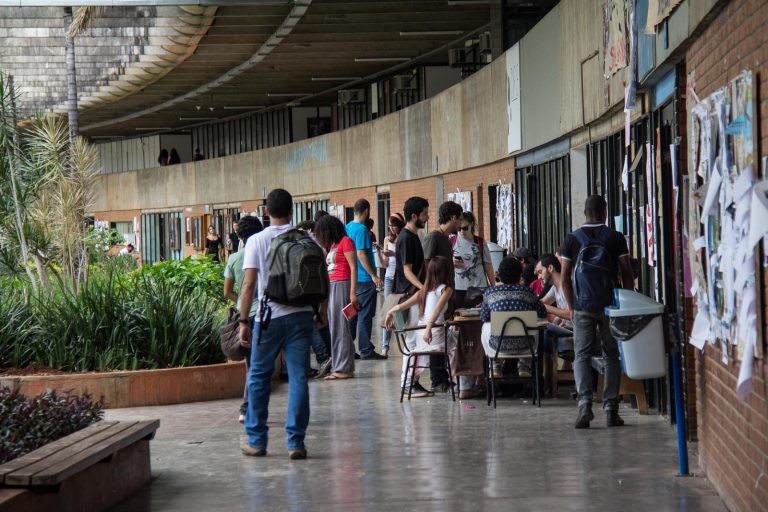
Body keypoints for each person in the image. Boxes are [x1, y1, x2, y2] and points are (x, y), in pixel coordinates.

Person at [238, 188, 323, 460]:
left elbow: (249, 284)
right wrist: (320, 312)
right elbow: (322, 279)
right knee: (299, 378)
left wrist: (243, 320)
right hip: (301, 317)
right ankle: (295, 442)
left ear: (267, 212)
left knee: (258, 377)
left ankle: (256, 440)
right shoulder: (307, 239)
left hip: (268, 317)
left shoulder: (256, 240)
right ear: (291, 210)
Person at [560, 194, 634, 429]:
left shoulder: (572, 239)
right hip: (610, 306)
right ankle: (611, 409)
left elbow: (564, 278)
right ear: (605, 212)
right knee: (611, 355)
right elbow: (627, 272)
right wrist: (625, 302)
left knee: (581, 355)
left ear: (585, 213)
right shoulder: (615, 237)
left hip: (583, 306)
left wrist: (571, 307)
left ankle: (584, 405)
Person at [385, 256, 454, 398]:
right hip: (434, 334)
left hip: (420, 335)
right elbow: (436, 311)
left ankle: (410, 381)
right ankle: (461, 381)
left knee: (447, 341)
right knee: (458, 344)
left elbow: (401, 306)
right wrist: (429, 328)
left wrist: (389, 312)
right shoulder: (446, 290)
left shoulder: (422, 291)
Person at [223, 215, 263, 422]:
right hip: (263, 314)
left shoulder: (234, 258)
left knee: (251, 364)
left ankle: (248, 408)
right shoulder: (265, 254)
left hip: (243, 315)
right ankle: (248, 408)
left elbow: (227, 292)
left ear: (239, 236)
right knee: (258, 365)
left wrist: (241, 301)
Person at [479, 256, 547, 379]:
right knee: (534, 325)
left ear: (499, 275)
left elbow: (484, 316)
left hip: (497, 346)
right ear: (520, 275)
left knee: (486, 324)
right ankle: (524, 365)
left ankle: (495, 365)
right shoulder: (529, 292)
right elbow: (542, 313)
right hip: (526, 346)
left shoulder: (490, 293)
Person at [422, 200, 463, 393]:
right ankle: (437, 379)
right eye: (459, 219)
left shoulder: (446, 239)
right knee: (437, 338)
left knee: (443, 335)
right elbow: (428, 266)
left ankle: (443, 376)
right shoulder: (433, 238)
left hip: (446, 292)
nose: (460, 224)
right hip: (437, 294)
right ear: (453, 218)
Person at [315, 215, 359, 380]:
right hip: (333, 285)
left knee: (341, 328)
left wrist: (352, 292)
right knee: (335, 327)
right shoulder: (333, 245)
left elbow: (353, 268)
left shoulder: (346, 242)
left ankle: (343, 368)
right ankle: (340, 365)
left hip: (342, 284)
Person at [345, 199, 385, 360]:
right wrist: (374, 275)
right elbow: (361, 254)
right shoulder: (362, 229)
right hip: (364, 279)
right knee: (365, 315)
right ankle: (366, 350)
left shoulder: (347, 227)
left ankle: (348, 348)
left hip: (352, 279)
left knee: (353, 315)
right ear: (367, 211)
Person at [297, 219, 332, 378]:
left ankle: (323, 357)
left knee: (309, 325)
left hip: (303, 293)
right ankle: (330, 357)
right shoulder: (317, 248)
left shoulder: (298, 249)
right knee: (321, 323)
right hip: (318, 291)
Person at [451, 211, 495, 308]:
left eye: (465, 228)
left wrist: (493, 287)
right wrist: (451, 262)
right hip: (458, 287)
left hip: (478, 287)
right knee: (459, 314)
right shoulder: (452, 241)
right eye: (459, 229)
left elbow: (488, 266)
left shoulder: (480, 242)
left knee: (478, 314)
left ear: (471, 225)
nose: (462, 231)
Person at [377, 212, 404, 357]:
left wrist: (394, 254)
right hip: (389, 277)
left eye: (394, 225)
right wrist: (379, 252)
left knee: (400, 309)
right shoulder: (387, 239)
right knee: (387, 309)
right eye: (389, 226)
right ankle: (385, 347)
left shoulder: (404, 237)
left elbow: (405, 258)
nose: (391, 228)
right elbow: (384, 264)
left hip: (401, 277)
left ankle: (405, 340)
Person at [536, 253, 574, 355]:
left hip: (577, 330)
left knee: (545, 331)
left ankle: (545, 365)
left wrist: (546, 308)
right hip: (568, 328)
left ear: (550, 268)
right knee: (543, 329)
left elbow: (571, 314)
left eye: (540, 272)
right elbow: (541, 302)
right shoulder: (554, 288)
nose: (539, 277)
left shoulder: (567, 285)